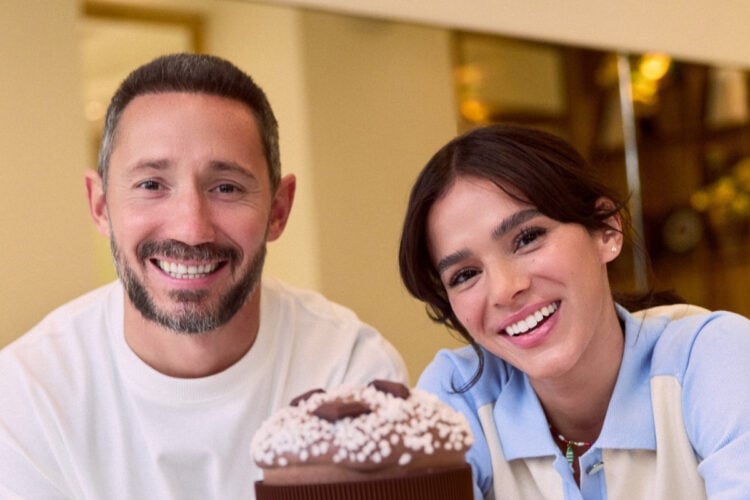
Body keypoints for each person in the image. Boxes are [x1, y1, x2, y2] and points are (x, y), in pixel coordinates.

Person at [0, 53, 407, 499]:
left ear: (278, 209)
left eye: (226, 188)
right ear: (100, 205)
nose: (192, 229)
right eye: (151, 184)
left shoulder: (348, 367)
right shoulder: (29, 392)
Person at [398, 124, 750, 499]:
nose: (504, 289)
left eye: (528, 238)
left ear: (606, 231)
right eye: (465, 274)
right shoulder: (461, 392)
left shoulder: (713, 356)